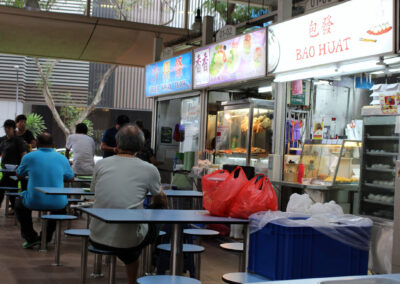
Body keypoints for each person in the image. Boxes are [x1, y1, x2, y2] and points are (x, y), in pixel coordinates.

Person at [90, 124, 167, 283]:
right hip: (128, 241)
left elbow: (94, 191)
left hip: (96, 235)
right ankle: (146, 269)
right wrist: (160, 194)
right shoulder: (149, 169)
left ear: (117, 144)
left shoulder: (101, 164)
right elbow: (159, 198)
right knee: (158, 209)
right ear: (141, 145)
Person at [15, 133, 74, 248]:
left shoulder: (28, 157)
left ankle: (31, 237)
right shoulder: (62, 158)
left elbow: (18, 175)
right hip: (58, 202)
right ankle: (45, 237)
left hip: (34, 200)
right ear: (53, 144)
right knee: (60, 209)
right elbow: (70, 178)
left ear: (36, 143)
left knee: (19, 205)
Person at [0, 119, 27, 210]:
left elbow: (24, 154)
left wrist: (21, 168)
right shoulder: (3, 140)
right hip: (5, 169)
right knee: (10, 188)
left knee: (6, 188)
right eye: (5, 128)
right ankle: (16, 209)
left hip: (15, 170)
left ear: (13, 129)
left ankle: (16, 209)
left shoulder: (18, 140)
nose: (7, 130)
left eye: (9, 128)